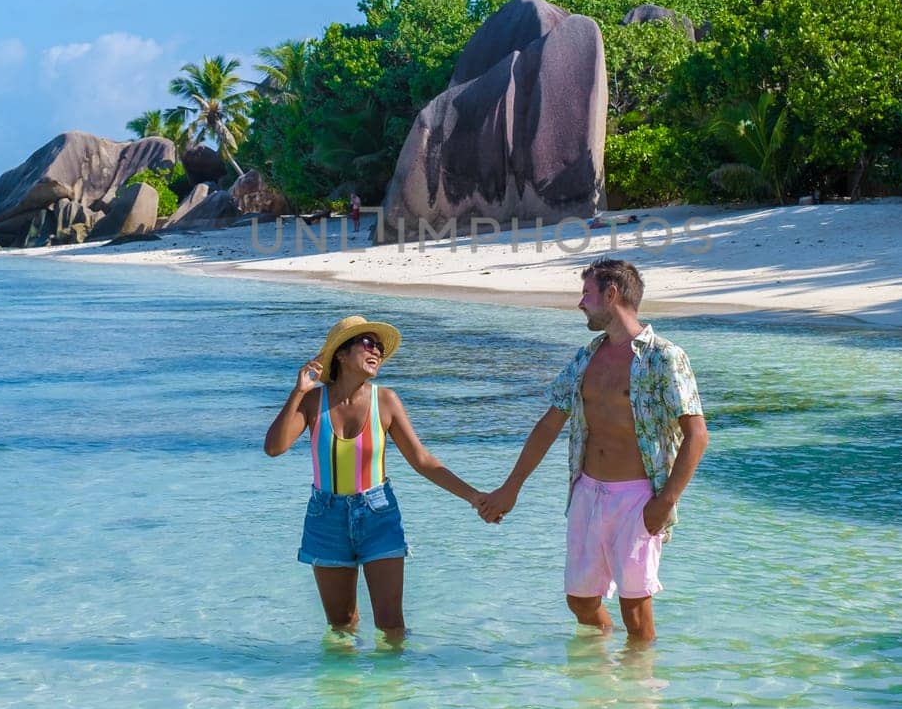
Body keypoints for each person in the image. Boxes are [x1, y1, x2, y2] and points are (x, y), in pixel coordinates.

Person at [479, 258, 708, 643]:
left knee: (635, 609)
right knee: (580, 600)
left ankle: (640, 695)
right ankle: (599, 680)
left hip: (637, 498)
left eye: (587, 294)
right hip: (587, 492)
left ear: (611, 294)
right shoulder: (587, 356)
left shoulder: (662, 357)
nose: (580, 303)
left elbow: (697, 435)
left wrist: (665, 500)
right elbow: (550, 423)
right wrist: (511, 487)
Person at [264, 315, 482, 639]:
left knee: (391, 626)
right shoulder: (313, 402)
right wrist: (298, 392)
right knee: (341, 626)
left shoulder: (386, 401)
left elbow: (422, 460)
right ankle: (344, 688)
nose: (377, 351)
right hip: (326, 517)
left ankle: (393, 690)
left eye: (379, 347)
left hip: (378, 513)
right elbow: (274, 447)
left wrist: (476, 498)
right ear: (340, 353)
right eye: (368, 343)